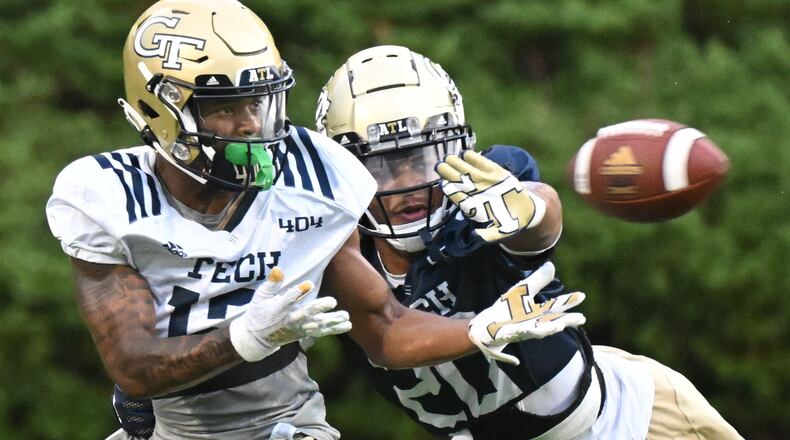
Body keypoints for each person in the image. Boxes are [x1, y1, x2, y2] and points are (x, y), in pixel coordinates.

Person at [45, 2, 586, 439]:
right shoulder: (105, 197)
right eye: (226, 107)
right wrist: (250, 335)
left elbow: (384, 326)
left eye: (261, 100)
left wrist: (477, 328)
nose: (252, 123)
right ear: (162, 107)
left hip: (286, 423)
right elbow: (133, 367)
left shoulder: (316, 181)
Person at [313, 45, 744, 439]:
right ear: (342, 173)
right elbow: (386, 336)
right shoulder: (336, 252)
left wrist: (531, 209)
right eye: (384, 165)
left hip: (623, 422)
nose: (407, 184)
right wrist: (475, 331)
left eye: (424, 159)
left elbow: (539, 222)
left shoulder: (477, 197)